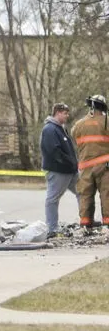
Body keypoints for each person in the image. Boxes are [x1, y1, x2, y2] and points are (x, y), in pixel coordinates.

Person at [71, 94, 109, 233]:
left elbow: (74, 137)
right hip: (104, 166)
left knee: (85, 195)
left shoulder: (79, 124)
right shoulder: (106, 122)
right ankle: (107, 225)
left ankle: (85, 224)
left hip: (85, 167)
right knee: (106, 194)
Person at [39, 102, 78, 238]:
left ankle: (87, 221)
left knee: (84, 193)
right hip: (58, 171)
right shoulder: (50, 129)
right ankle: (52, 229)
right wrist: (69, 162)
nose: (67, 116)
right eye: (65, 113)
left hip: (71, 171)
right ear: (58, 112)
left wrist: (73, 164)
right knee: (52, 199)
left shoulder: (61, 129)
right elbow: (54, 151)